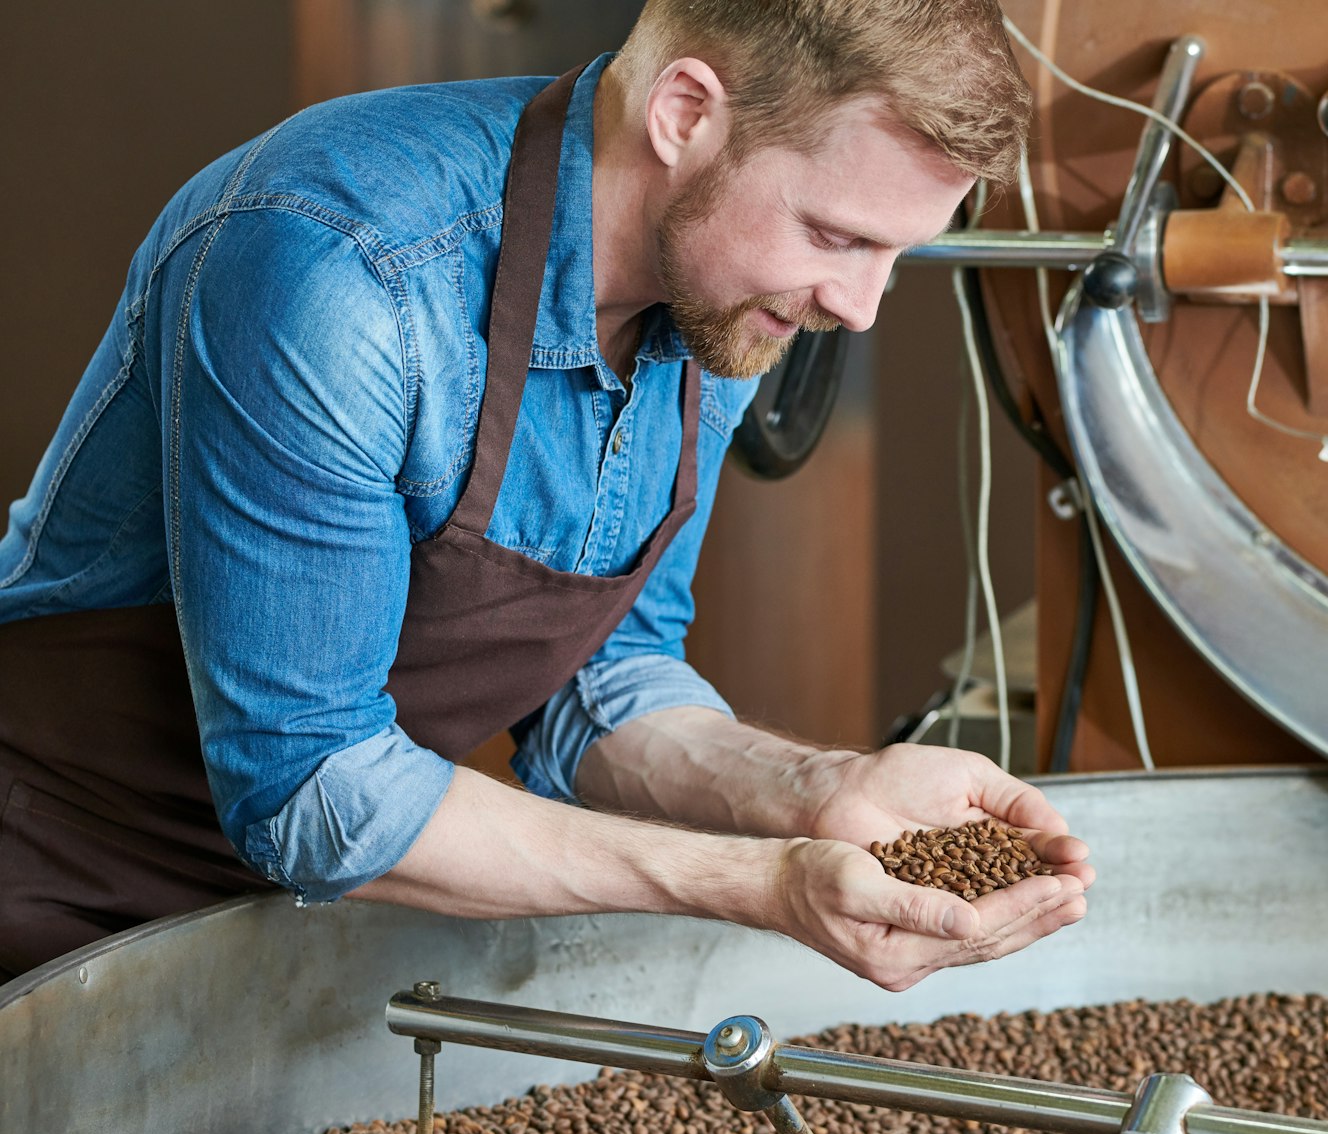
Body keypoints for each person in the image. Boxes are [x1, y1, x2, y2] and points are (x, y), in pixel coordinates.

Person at [0, 0, 1092, 985]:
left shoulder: (714, 306)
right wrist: (761, 882)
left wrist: (818, 792)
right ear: (684, 111)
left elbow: (600, 682)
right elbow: (311, 789)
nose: (858, 309)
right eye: (836, 236)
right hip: (50, 879)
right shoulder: (335, 267)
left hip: (293, 922)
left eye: (894, 255)